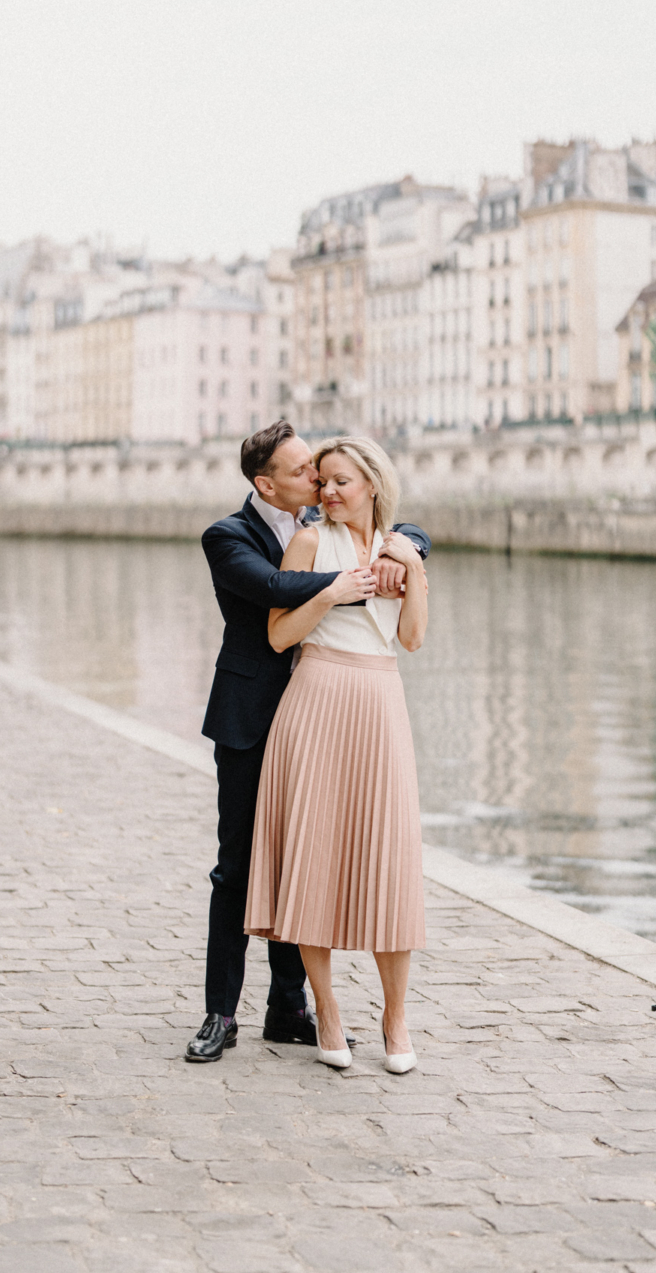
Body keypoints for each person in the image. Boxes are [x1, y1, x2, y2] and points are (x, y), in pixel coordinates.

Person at [186, 420, 429, 1063]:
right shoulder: (228, 536)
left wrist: (404, 549)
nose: (316, 482)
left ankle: (289, 1009)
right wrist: (354, 581)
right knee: (238, 868)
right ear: (267, 483)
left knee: (305, 859)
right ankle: (220, 1013)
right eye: (304, 475)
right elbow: (270, 592)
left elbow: (404, 531)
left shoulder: (346, 529)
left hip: (335, 708)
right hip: (255, 715)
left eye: (321, 474)